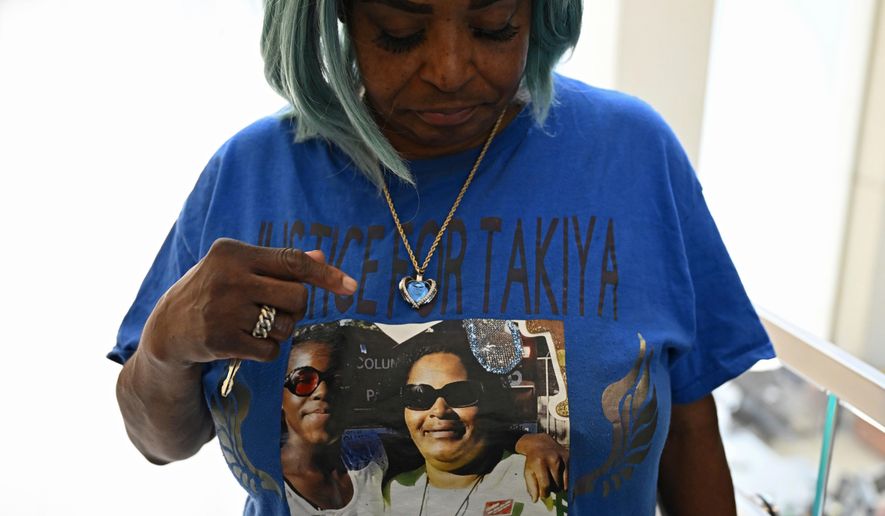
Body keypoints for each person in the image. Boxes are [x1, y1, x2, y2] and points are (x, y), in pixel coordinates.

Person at [110, 0, 775, 514]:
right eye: (400, 30)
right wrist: (166, 349)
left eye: (492, 25)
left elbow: (688, 427)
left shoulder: (633, 157)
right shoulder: (250, 174)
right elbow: (159, 443)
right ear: (338, 12)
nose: (450, 69)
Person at [385, 337, 560, 515]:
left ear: (491, 403)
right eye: (418, 396)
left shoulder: (538, 479)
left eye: (461, 394)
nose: (439, 410)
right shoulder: (390, 491)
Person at [281, 326, 386, 514]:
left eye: (338, 380)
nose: (322, 392)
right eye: (304, 380)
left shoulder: (373, 468)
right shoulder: (268, 486)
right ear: (280, 396)